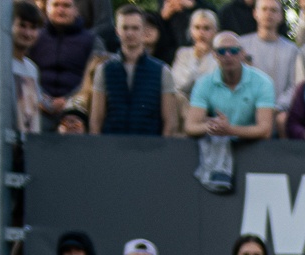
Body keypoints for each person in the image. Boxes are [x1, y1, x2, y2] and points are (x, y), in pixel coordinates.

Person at [184, 29, 277, 172]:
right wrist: (214, 127)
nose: (228, 55)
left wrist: (229, 130)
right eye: (222, 51)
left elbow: (265, 130)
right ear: (214, 55)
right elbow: (190, 126)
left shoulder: (263, 82)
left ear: (242, 54)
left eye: (233, 51)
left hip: (255, 149)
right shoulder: (203, 83)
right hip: (216, 149)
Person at [87, 4, 180, 132]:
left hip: (149, 142)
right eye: (125, 28)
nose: (130, 33)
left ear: (143, 31)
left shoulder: (163, 71)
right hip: (112, 142)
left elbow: (170, 122)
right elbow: (96, 120)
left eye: (135, 28)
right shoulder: (104, 70)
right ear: (117, 31)